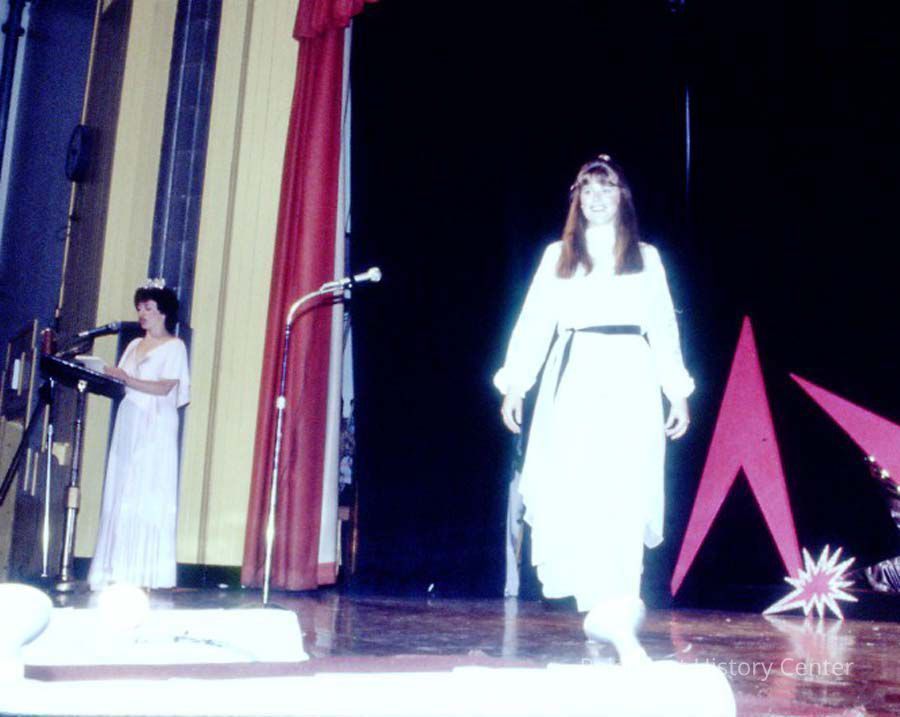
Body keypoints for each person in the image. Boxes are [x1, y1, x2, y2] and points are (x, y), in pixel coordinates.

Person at [494, 155, 693, 665]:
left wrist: (677, 391)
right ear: (578, 200)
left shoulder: (646, 258)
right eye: (588, 190)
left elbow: (663, 328)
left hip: (630, 376)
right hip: (577, 374)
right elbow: (535, 321)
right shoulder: (558, 256)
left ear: (622, 197)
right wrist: (516, 385)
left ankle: (620, 602)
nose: (597, 198)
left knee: (625, 486)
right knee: (579, 485)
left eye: (607, 189)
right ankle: (597, 603)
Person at [88, 280, 190, 591]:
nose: (142, 314)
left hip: (155, 422)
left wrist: (127, 378)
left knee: (148, 488)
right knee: (122, 489)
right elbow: (121, 382)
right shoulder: (133, 345)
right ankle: (116, 568)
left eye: (148, 308)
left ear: (163, 312)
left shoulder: (175, 346)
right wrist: (102, 373)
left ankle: (147, 572)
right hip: (130, 418)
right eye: (139, 308)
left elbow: (164, 387)